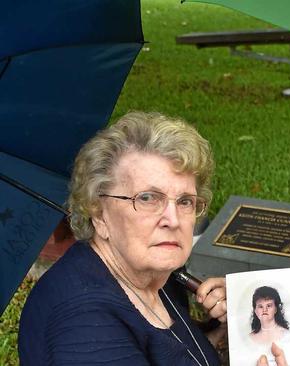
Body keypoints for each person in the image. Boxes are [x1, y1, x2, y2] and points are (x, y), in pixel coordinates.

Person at [19, 112, 228, 365]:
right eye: (148, 198)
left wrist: (229, 334)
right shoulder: (84, 327)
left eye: (185, 201)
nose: (173, 220)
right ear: (98, 213)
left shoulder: (157, 276)